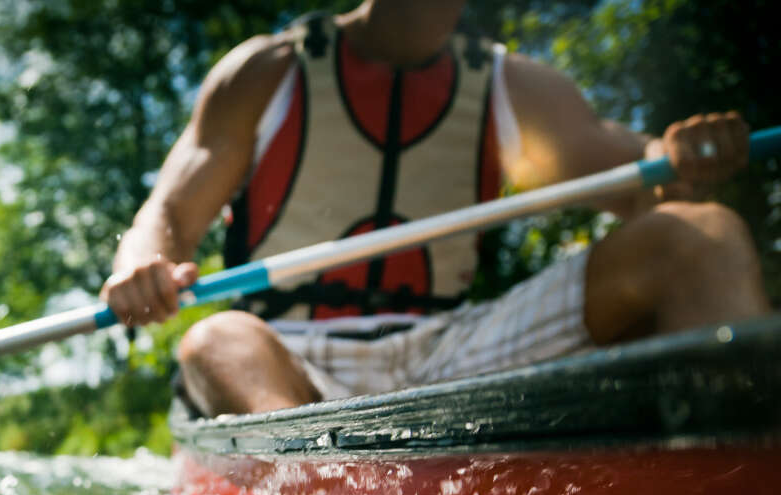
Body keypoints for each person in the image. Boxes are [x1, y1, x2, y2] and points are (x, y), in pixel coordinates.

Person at [102, 0, 770, 416]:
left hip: (453, 350)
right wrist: (142, 266)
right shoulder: (266, 73)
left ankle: (742, 486)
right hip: (291, 354)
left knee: (699, 236)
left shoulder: (514, 87)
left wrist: (681, 159)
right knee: (215, 339)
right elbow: (169, 216)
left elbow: (644, 186)